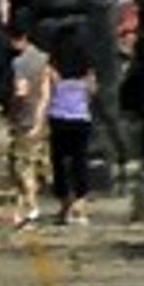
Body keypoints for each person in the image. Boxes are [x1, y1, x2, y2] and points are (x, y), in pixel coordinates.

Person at [46, 30, 98, 225]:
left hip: (58, 118)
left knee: (59, 162)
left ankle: (64, 204)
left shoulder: (54, 69)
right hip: (81, 119)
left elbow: (48, 89)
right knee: (80, 160)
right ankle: (81, 205)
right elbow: (92, 91)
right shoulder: (87, 70)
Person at [5, 33, 51, 228]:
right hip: (42, 120)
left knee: (22, 167)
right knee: (35, 164)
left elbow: (20, 91)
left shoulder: (19, 63)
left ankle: (32, 209)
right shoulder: (44, 59)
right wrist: (41, 119)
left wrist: (11, 108)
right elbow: (46, 93)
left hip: (24, 119)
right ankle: (20, 210)